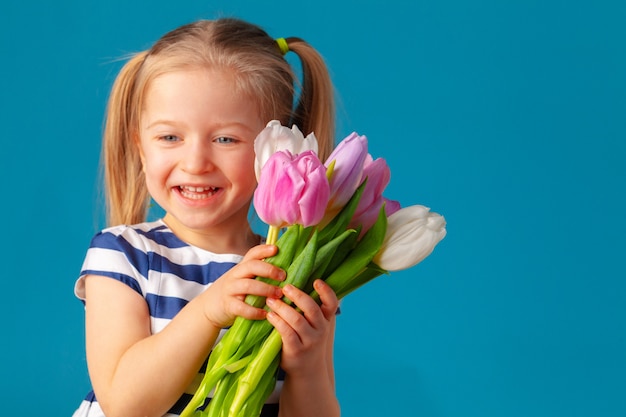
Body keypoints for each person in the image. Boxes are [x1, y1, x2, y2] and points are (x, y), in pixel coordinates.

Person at [72, 18, 341, 417]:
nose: (196, 163)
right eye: (169, 137)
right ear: (141, 147)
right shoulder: (123, 255)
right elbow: (125, 404)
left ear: (276, 148)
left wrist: (306, 366)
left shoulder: (293, 272)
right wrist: (209, 310)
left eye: (225, 139)